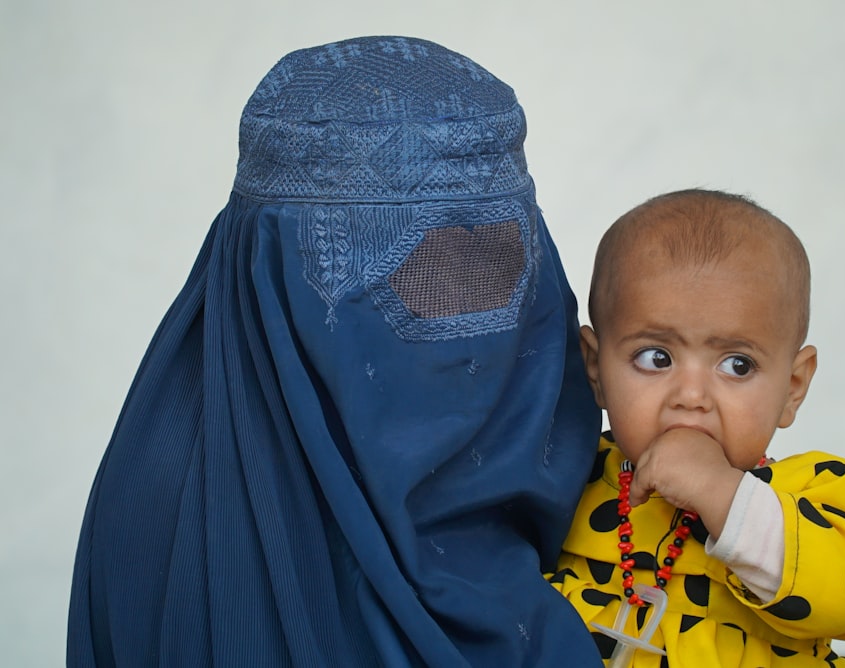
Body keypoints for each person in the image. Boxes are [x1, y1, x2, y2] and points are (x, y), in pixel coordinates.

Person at [68, 36, 605, 667]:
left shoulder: (630, 483)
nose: (465, 309)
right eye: (406, 265)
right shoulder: (172, 523)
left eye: (487, 258)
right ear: (276, 274)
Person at [548, 189, 845, 667]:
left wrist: (723, 494)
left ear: (793, 387)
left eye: (737, 365)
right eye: (656, 358)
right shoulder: (564, 473)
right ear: (595, 369)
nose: (691, 396)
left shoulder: (815, 496)